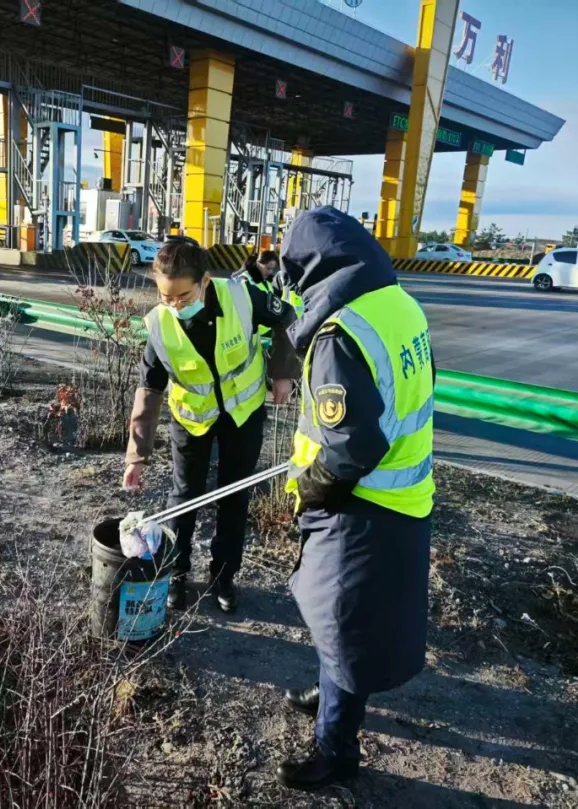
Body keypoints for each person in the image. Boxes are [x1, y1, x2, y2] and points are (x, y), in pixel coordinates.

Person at [273, 207, 435, 791]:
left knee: (342, 621)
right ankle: (331, 693)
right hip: (406, 494)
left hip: (361, 503)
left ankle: (334, 750)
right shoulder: (399, 304)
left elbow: (351, 445)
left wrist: (314, 486)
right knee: (344, 618)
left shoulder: (340, 335)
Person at [123, 242, 299, 613]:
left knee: (234, 497)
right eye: (165, 295)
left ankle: (224, 577)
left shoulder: (242, 297)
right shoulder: (159, 323)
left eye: (183, 295)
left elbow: (288, 319)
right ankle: (176, 574)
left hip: (243, 415)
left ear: (205, 280)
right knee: (184, 496)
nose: (174, 304)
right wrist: (136, 456)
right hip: (191, 420)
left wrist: (283, 373)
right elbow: (149, 388)